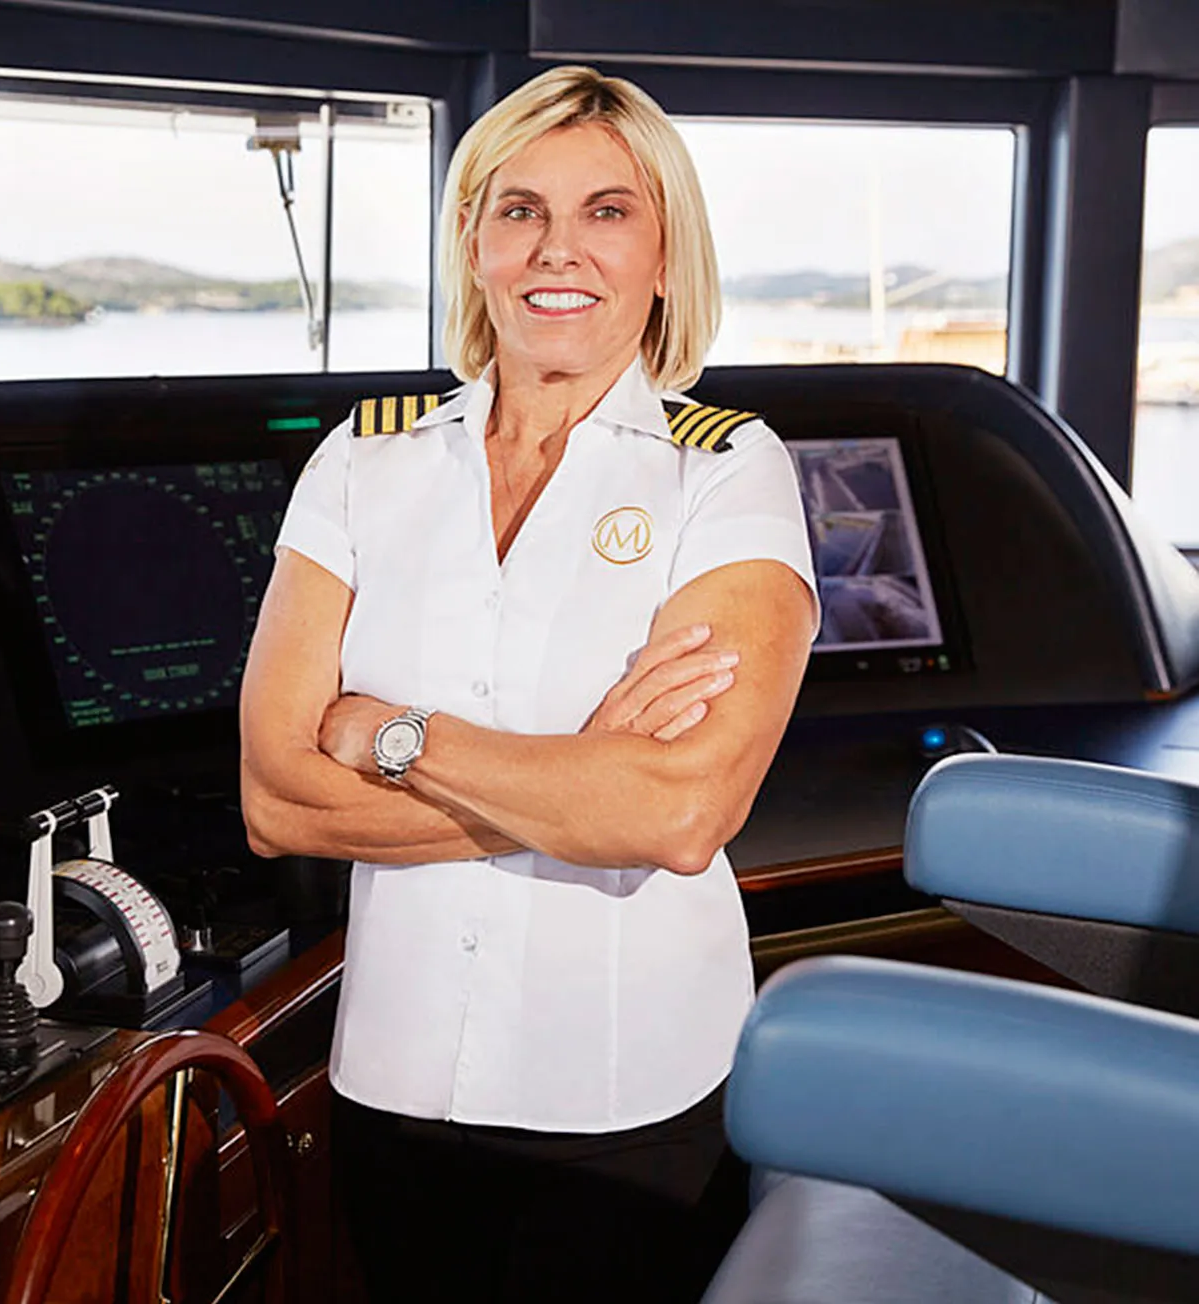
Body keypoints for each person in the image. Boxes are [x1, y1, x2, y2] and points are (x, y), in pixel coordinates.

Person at [239, 63, 818, 1303]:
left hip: (627, 1097)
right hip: (390, 1081)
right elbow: (277, 801)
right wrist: (575, 775)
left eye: (607, 211)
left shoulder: (725, 472)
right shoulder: (364, 457)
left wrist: (379, 729)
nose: (560, 248)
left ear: (664, 254)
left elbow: (673, 814)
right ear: (474, 244)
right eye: (520, 210)